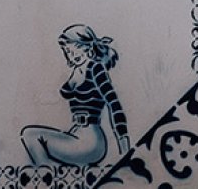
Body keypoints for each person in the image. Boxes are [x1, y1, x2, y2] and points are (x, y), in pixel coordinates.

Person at [21, 25, 130, 166]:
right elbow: (63, 93)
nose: (70, 56)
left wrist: (124, 147)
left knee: (31, 136)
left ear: (88, 49)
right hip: (76, 133)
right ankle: (49, 176)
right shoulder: (77, 71)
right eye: (67, 52)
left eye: (73, 51)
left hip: (91, 140)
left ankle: (48, 178)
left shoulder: (95, 68)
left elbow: (114, 104)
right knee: (30, 136)